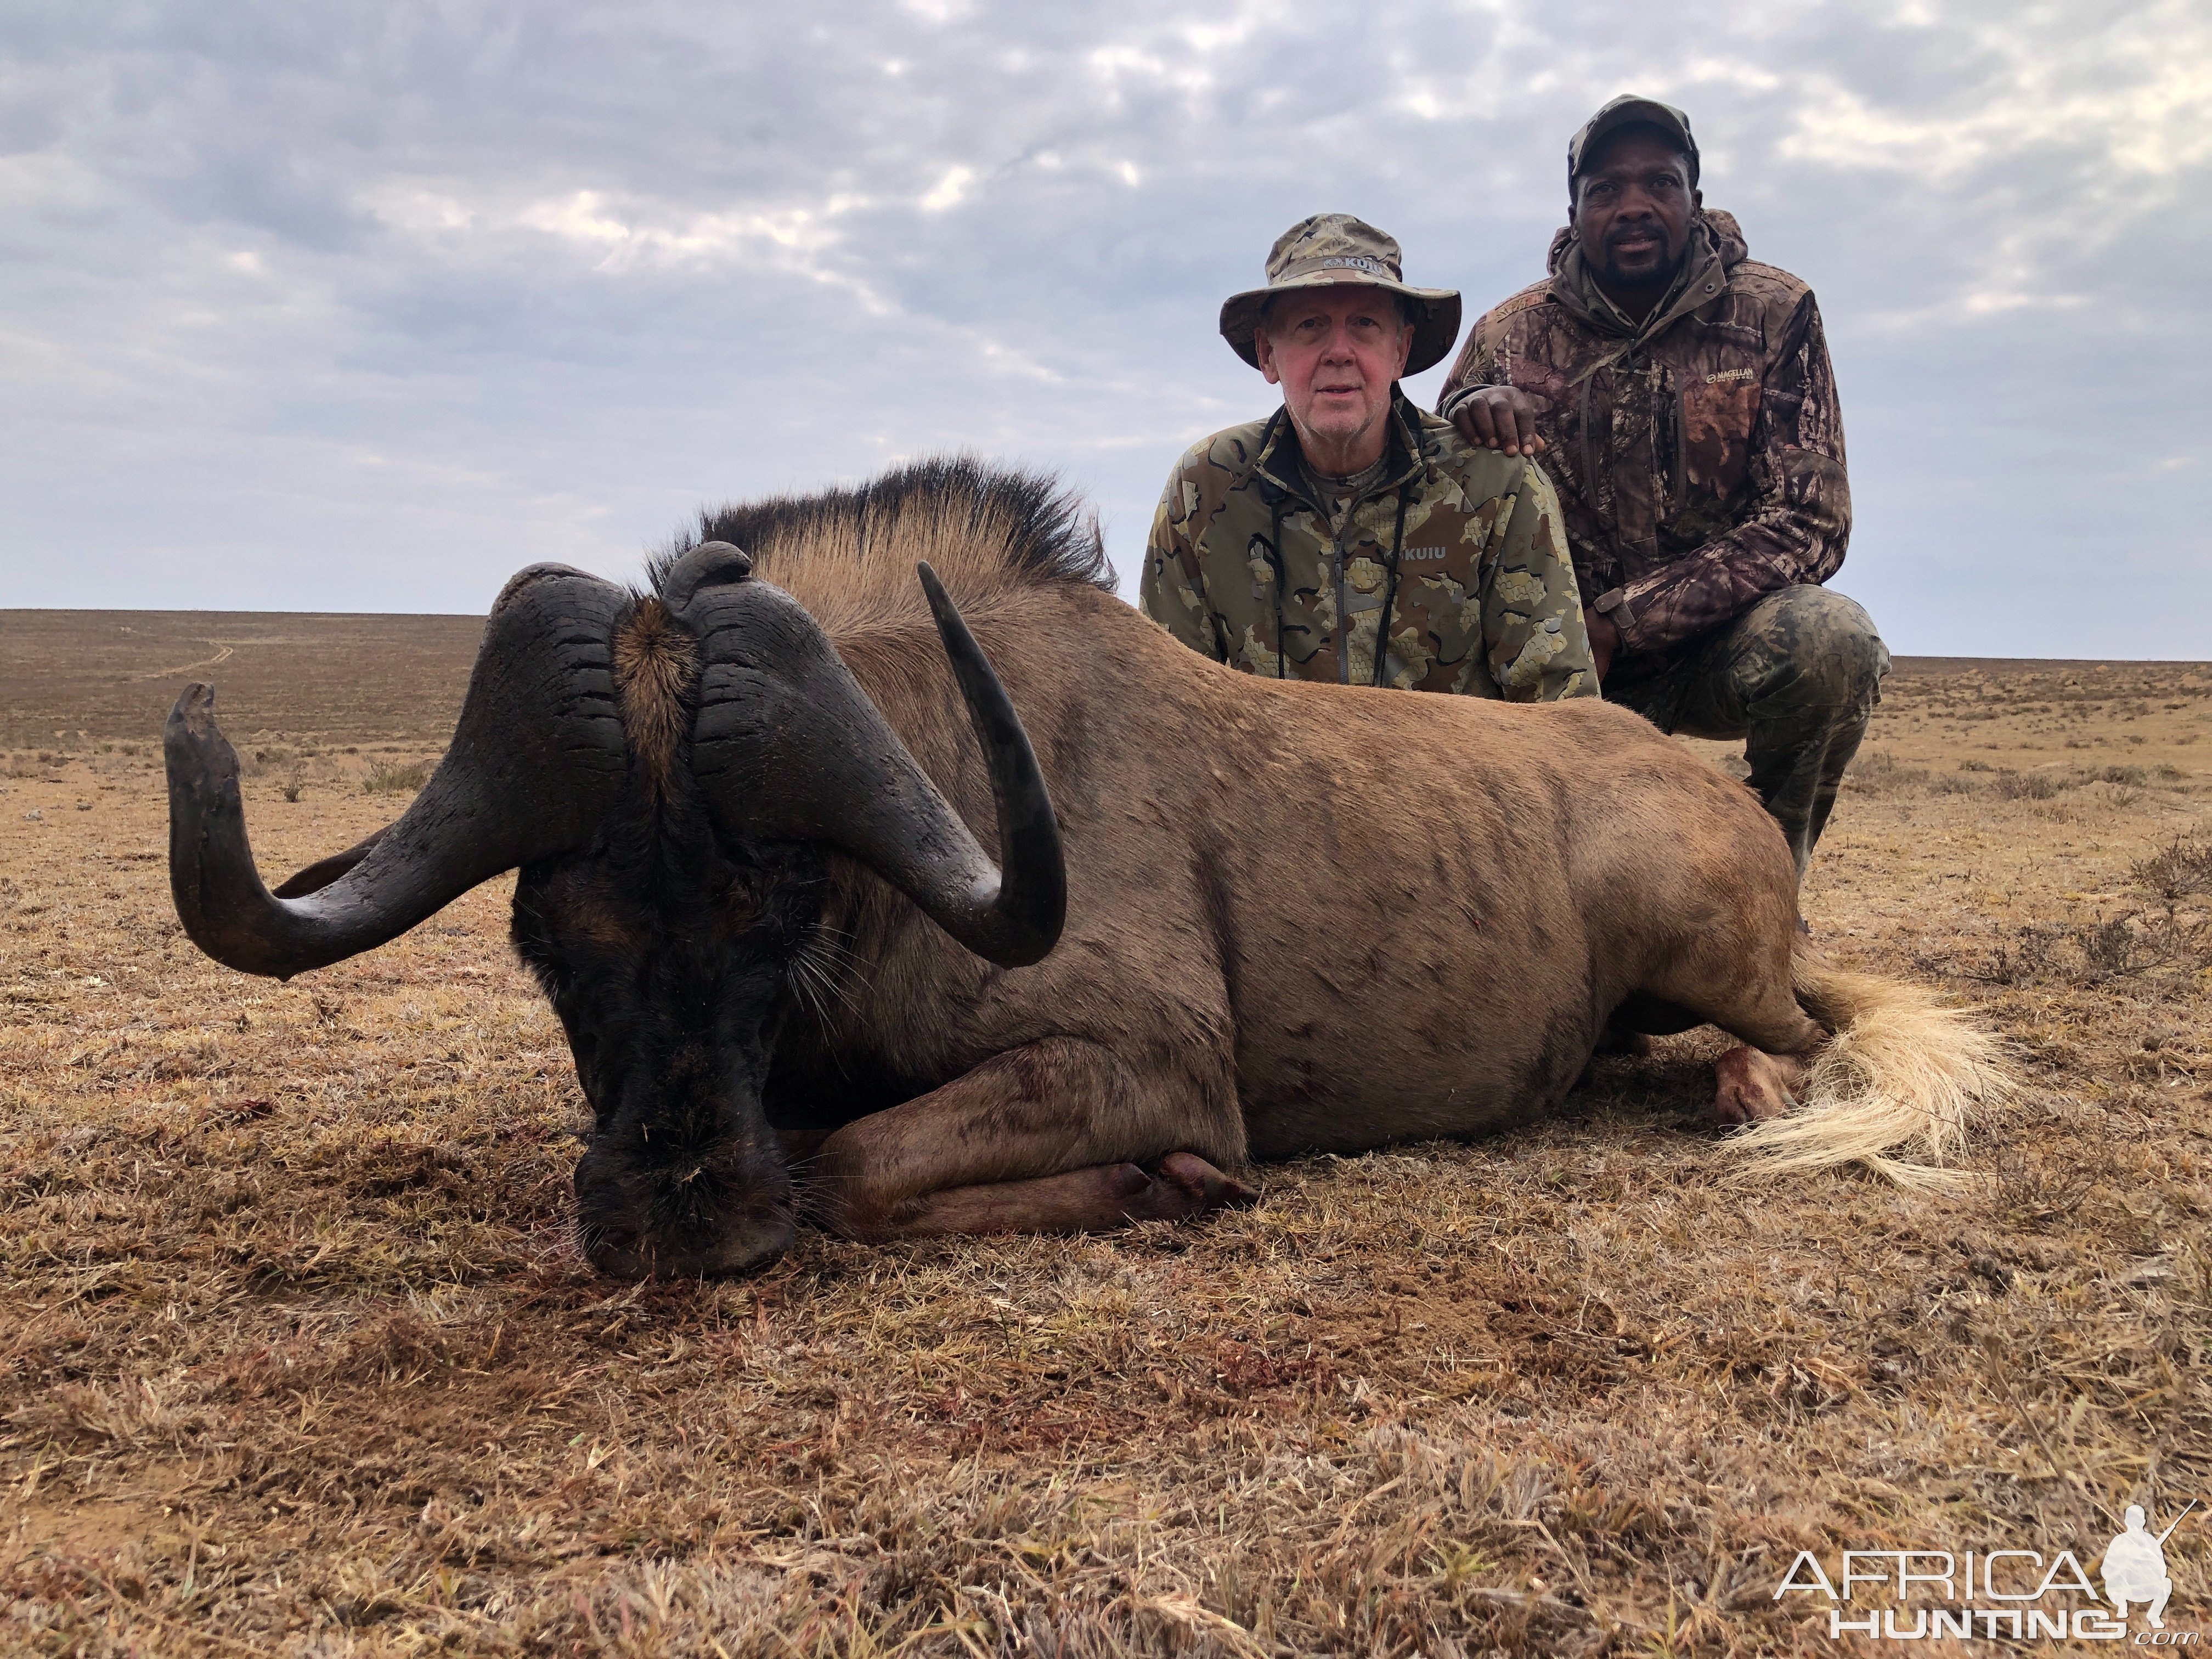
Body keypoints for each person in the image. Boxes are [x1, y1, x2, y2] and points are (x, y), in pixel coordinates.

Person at [1439, 95, 1884, 874]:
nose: (1633, 206)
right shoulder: (1507, 335)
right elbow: (1437, 480)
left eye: (1659, 184)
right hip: (1554, 660)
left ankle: (1767, 891)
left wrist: (1625, 622)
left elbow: (1811, 519)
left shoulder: (1776, 314)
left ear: (1695, 200)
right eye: (1605, 189)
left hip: (1712, 646)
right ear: (1574, 213)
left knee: (1831, 641)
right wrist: (1467, 408)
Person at [1141, 214, 1595, 702]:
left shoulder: (1497, 484)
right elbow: (1163, 705)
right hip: (1263, 780)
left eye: (1365, 324)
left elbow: (1562, 717)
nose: (1339, 351)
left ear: (1400, 351)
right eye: (1310, 324)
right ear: (1268, 354)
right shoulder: (1204, 488)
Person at [2102, 1506, 2174, 1628]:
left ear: (2143, 1522)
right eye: (2133, 1521)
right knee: (2112, 1584)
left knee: (2167, 1584)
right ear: (2127, 1522)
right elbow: (2106, 1570)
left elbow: (2163, 1570)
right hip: (2122, 1589)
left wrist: (2149, 1561)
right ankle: (2122, 1606)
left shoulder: (2151, 1542)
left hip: (2145, 1587)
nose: (2135, 1525)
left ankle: (2154, 1615)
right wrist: (2125, 1564)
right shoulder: (2119, 1541)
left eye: (2138, 1521)